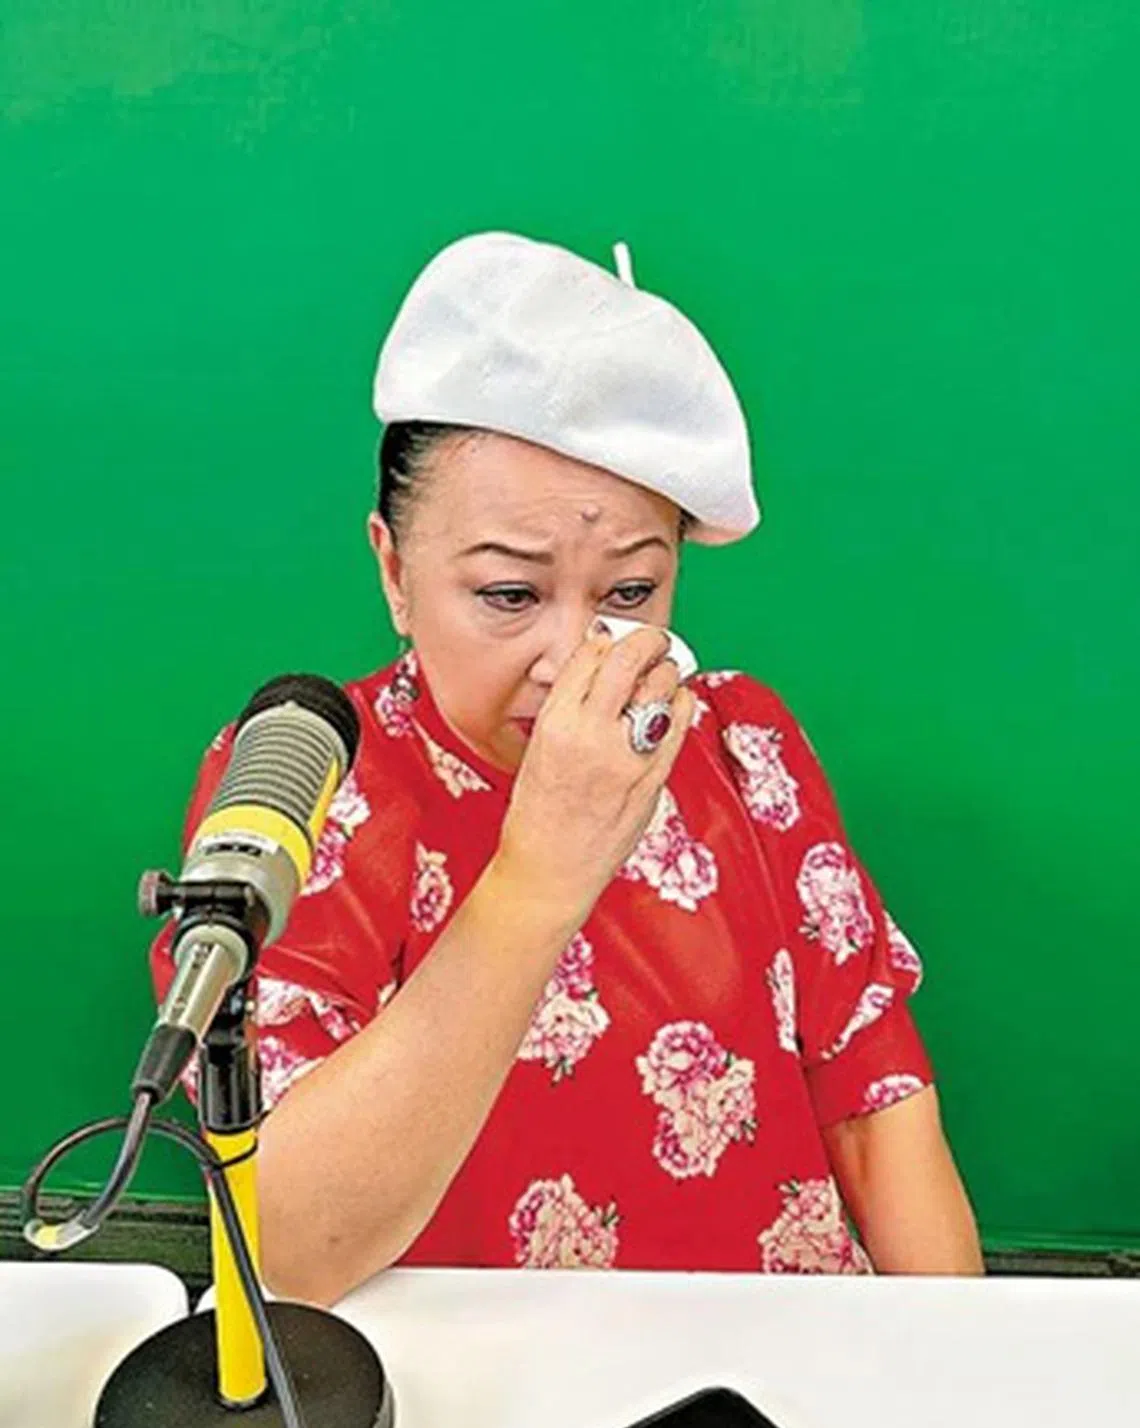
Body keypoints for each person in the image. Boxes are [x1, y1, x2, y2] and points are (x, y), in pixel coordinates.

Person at [152, 232, 983, 1305]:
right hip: (467, 1372)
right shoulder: (315, 779)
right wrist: (538, 876)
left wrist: (955, 1362)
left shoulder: (741, 743)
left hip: (778, 1346)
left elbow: (876, 1105)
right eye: (509, 594)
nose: (571, 658)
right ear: (396, 573)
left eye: (630, 594)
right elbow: (287, 1247)